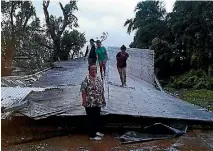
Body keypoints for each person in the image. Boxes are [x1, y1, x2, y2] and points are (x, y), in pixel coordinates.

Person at [80, 65, 106, 141]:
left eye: (95, 69)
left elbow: (102, 90)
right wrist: (84, 101)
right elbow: (83, 91)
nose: (94, 70)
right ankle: (92, 135)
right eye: (92, 69)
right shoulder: (86, 79)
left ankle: (96, 131)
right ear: (89, 70)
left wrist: (103, 99)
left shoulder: (98, 79)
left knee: (97, 118)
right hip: (89, 103)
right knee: (91, 119)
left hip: (98, 102)